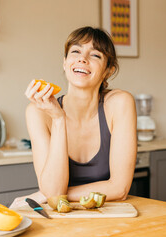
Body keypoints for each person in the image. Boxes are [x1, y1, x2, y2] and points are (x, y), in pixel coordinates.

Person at [10, 26, 137, 208]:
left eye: (95, 55)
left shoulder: (119, 103)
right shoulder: (38, 111)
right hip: (61, 219)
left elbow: (120, 189)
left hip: (110, 216)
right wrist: (58, 119)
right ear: (65, 62)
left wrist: (45, 194)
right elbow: (53, 192)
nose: (82, 59)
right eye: (75, 51)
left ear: (108, 70)